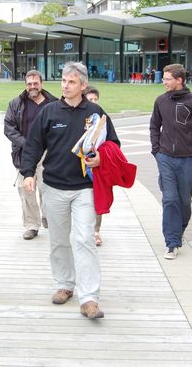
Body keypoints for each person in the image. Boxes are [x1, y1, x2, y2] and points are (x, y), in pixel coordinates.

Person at [21, 62, 119, 320]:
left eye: (71, 82)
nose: (65, 85)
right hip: (53, 186)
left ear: (83, 86)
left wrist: (100, 159)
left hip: (84, 188)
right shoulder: (50, 112)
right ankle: (65, 284)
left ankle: (89, 299)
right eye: (63, 81)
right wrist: (28, 173)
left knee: (84, 239)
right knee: (59, 240)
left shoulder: (96, 113)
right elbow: (32, 145)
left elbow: (113, 145)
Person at [149, 64, 192, 260]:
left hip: (187, 160)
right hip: (165, 158)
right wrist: (156, 151)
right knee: (170, 199)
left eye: (167, 79)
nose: (164, 82)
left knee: (184, 201)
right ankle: (172, 242)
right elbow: (154, 126)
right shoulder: (160, 100)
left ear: (179, 80)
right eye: (164, 79)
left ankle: (179, 230)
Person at [4, 69, 57, 240]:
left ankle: (47, 216)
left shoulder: (53, 103)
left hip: (47, 153)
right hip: (24, 152)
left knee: (46, 187)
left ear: (42, 83)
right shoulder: (16, 104)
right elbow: (9, 128)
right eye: (29, 84)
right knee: (26, 190)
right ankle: (32, 225)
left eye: (35, 83)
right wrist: (27, 144)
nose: (32, 87)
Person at [83, 86, 104, 247]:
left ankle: (96, 231)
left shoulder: (103, 117)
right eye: (91, 99)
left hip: (96, 164)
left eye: (96, 99)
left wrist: (101, 155)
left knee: (97, 198)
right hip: (77, 164)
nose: (94, 102)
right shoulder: (77, 115)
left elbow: (113, 141)